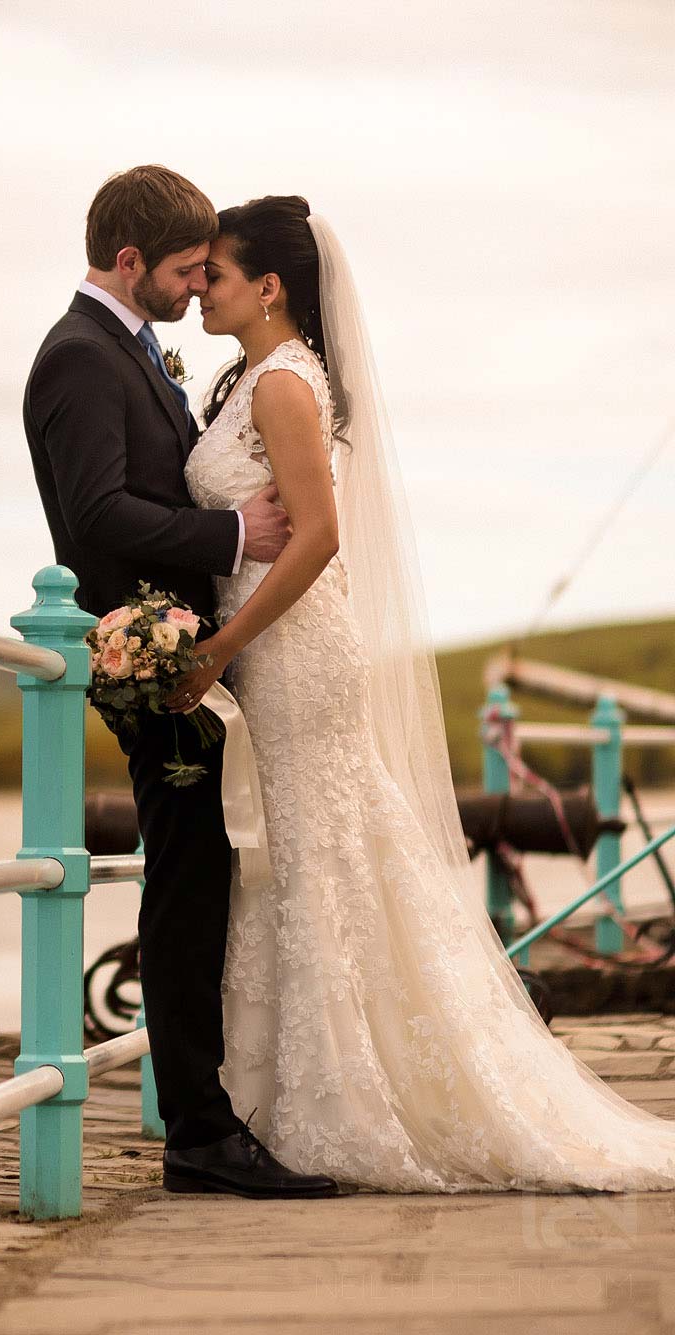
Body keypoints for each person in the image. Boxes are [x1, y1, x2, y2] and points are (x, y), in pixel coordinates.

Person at [169, 193, 675, 1191]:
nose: (197, 293)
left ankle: (339, 1102)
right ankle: (288, 1095)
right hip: (269, 649)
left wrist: (221, 644)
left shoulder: (283, 384)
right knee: (306, 862)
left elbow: (319, 535)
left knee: (316, 862)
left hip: (290, 654)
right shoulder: (255, 380)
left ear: (268, 287)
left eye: (213, 275)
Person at [22, 166, 335, 1197]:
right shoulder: (78, 356)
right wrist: (231, 533)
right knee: (185, 885)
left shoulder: (125, 349)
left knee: (200, 879)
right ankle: (198, 1130)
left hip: (190, 657)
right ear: (130, 263)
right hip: (152, 662)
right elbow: (97, 512)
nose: (197, 286)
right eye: (186, 269)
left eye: (209, 270)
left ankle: (209, 1115)